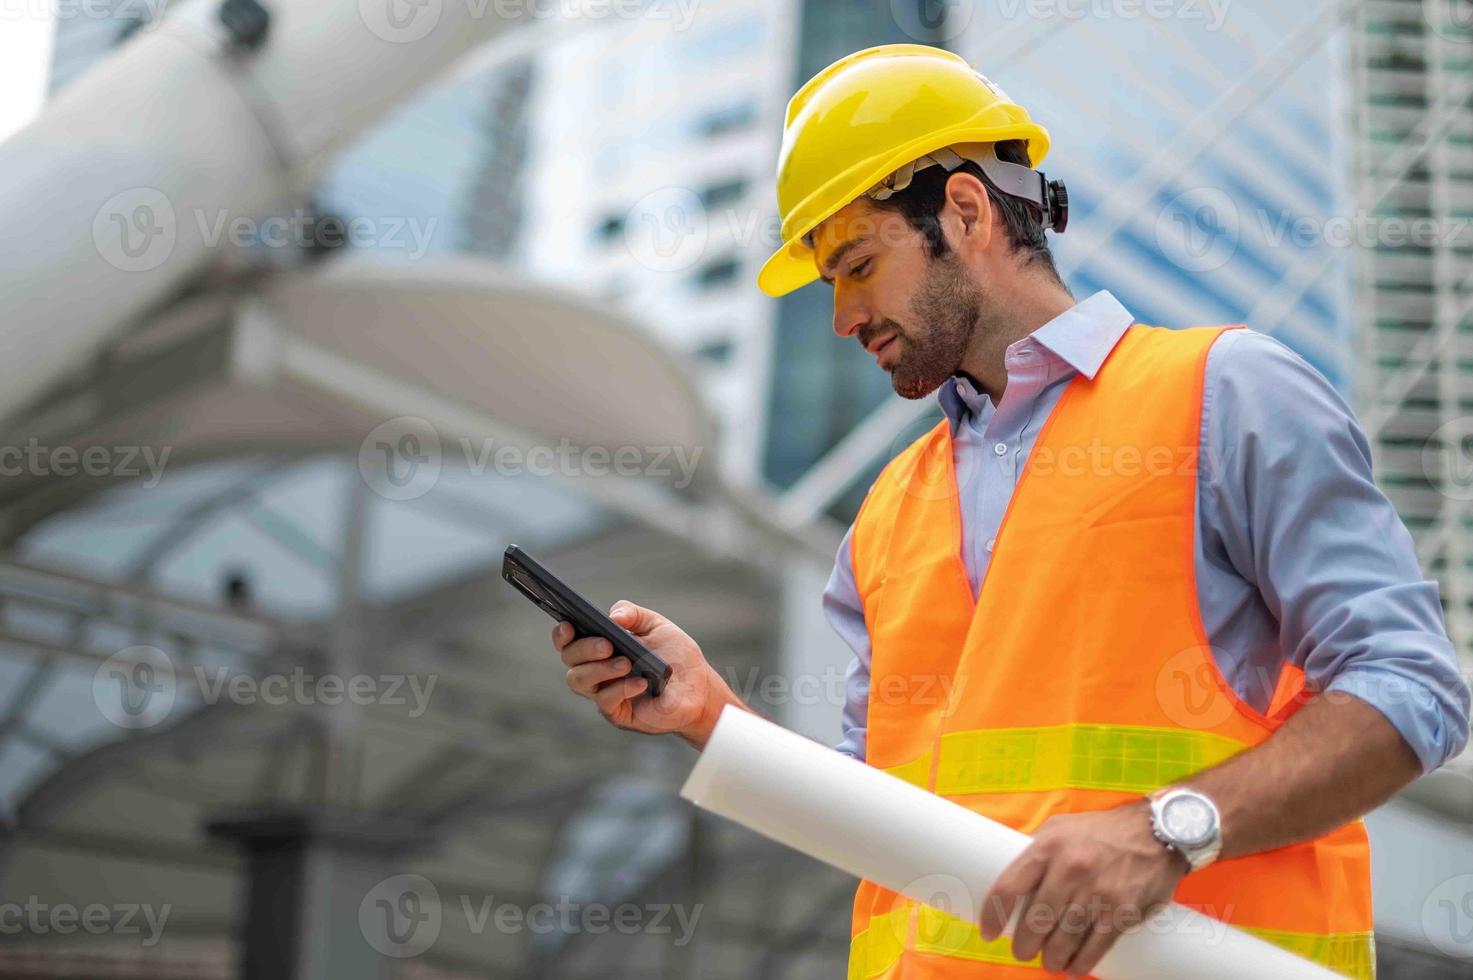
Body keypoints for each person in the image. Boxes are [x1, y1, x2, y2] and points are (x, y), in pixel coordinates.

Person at [552, 44, 1470, 979]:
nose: (843, 317)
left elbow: (1410, 688)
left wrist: (1164, 833)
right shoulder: (888, 513)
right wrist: (712, 716)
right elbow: (884, 817)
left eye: (858, 265)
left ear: (965, 211)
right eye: (831, 283)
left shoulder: (1223, 391)